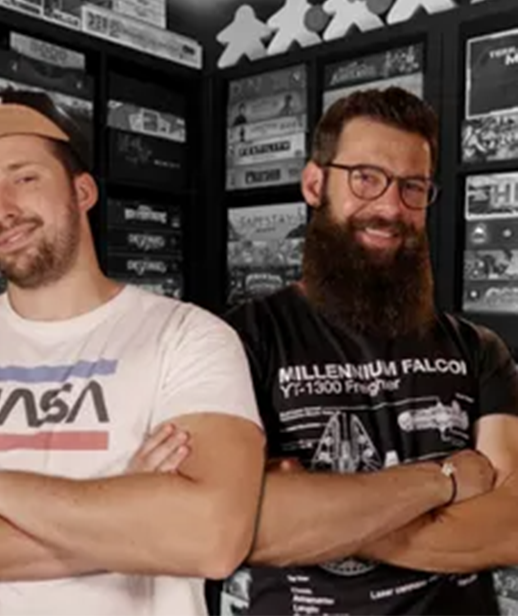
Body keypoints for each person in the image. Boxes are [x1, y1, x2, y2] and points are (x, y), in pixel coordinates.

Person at [0, 89, 266, 616]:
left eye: (25, 178)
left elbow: (212, 537)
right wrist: (127, 520)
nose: (4, 209)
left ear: (83, 191)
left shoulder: (188, 336)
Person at [206, 86, 518, 615]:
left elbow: (509, 529)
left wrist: (320, 518)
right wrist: (443, 483)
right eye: (366, 178)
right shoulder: (238, 340)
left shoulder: (478, 350)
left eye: (413, 187)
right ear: (314, 183)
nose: (391, 207)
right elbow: (224, 525)